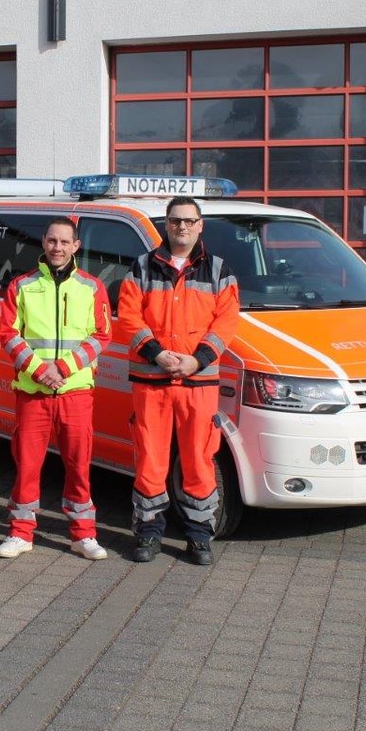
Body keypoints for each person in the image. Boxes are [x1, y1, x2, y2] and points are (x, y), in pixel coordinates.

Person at [117, 196, 240, 565]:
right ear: (166, 225)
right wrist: (156, 353)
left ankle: (199, 536)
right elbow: (128, 317)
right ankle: (149, 532)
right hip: (151, 380)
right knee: (150, 461)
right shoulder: (141, 268)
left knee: (199, 460)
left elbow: (227, 323)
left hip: (197, 384)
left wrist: (196, 360)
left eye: (188, 220)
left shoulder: (219, 271)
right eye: (175, 221)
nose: (181, 227)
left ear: (200, 225)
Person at [0, 217, 112, 561]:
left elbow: (102, 335)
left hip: (75, 392)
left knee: (79, 465)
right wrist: (39, 370)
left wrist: (60, 369)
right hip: (33, 392)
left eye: (65, 242)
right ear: (42, 242)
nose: (57, 248)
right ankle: (20, 533)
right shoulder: (22, 286)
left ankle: (83, 535)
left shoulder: (92, 287)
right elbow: (7, 334)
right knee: (27, 465)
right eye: (51, 241)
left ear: (76, 246)